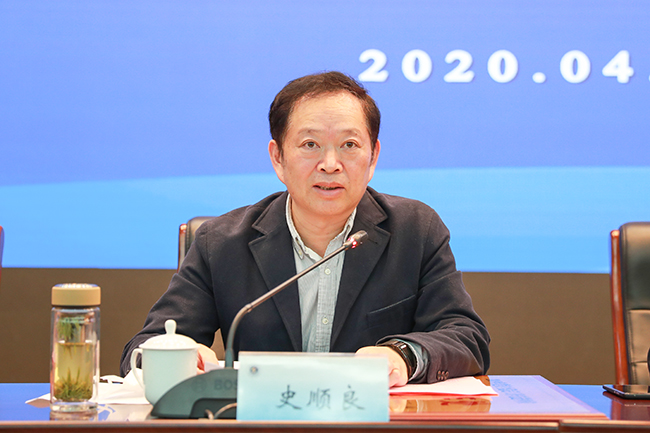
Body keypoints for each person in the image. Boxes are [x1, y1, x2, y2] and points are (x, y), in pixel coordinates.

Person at [120, 71, 490, 386]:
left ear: (373, 157)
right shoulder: (221, 242)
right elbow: (142, 348)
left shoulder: (416, 230)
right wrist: (177, 355)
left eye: (349, 145)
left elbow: (467, 338)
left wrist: (403, 356)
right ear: (278, 158)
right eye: (310, 144)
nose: (330, 164)